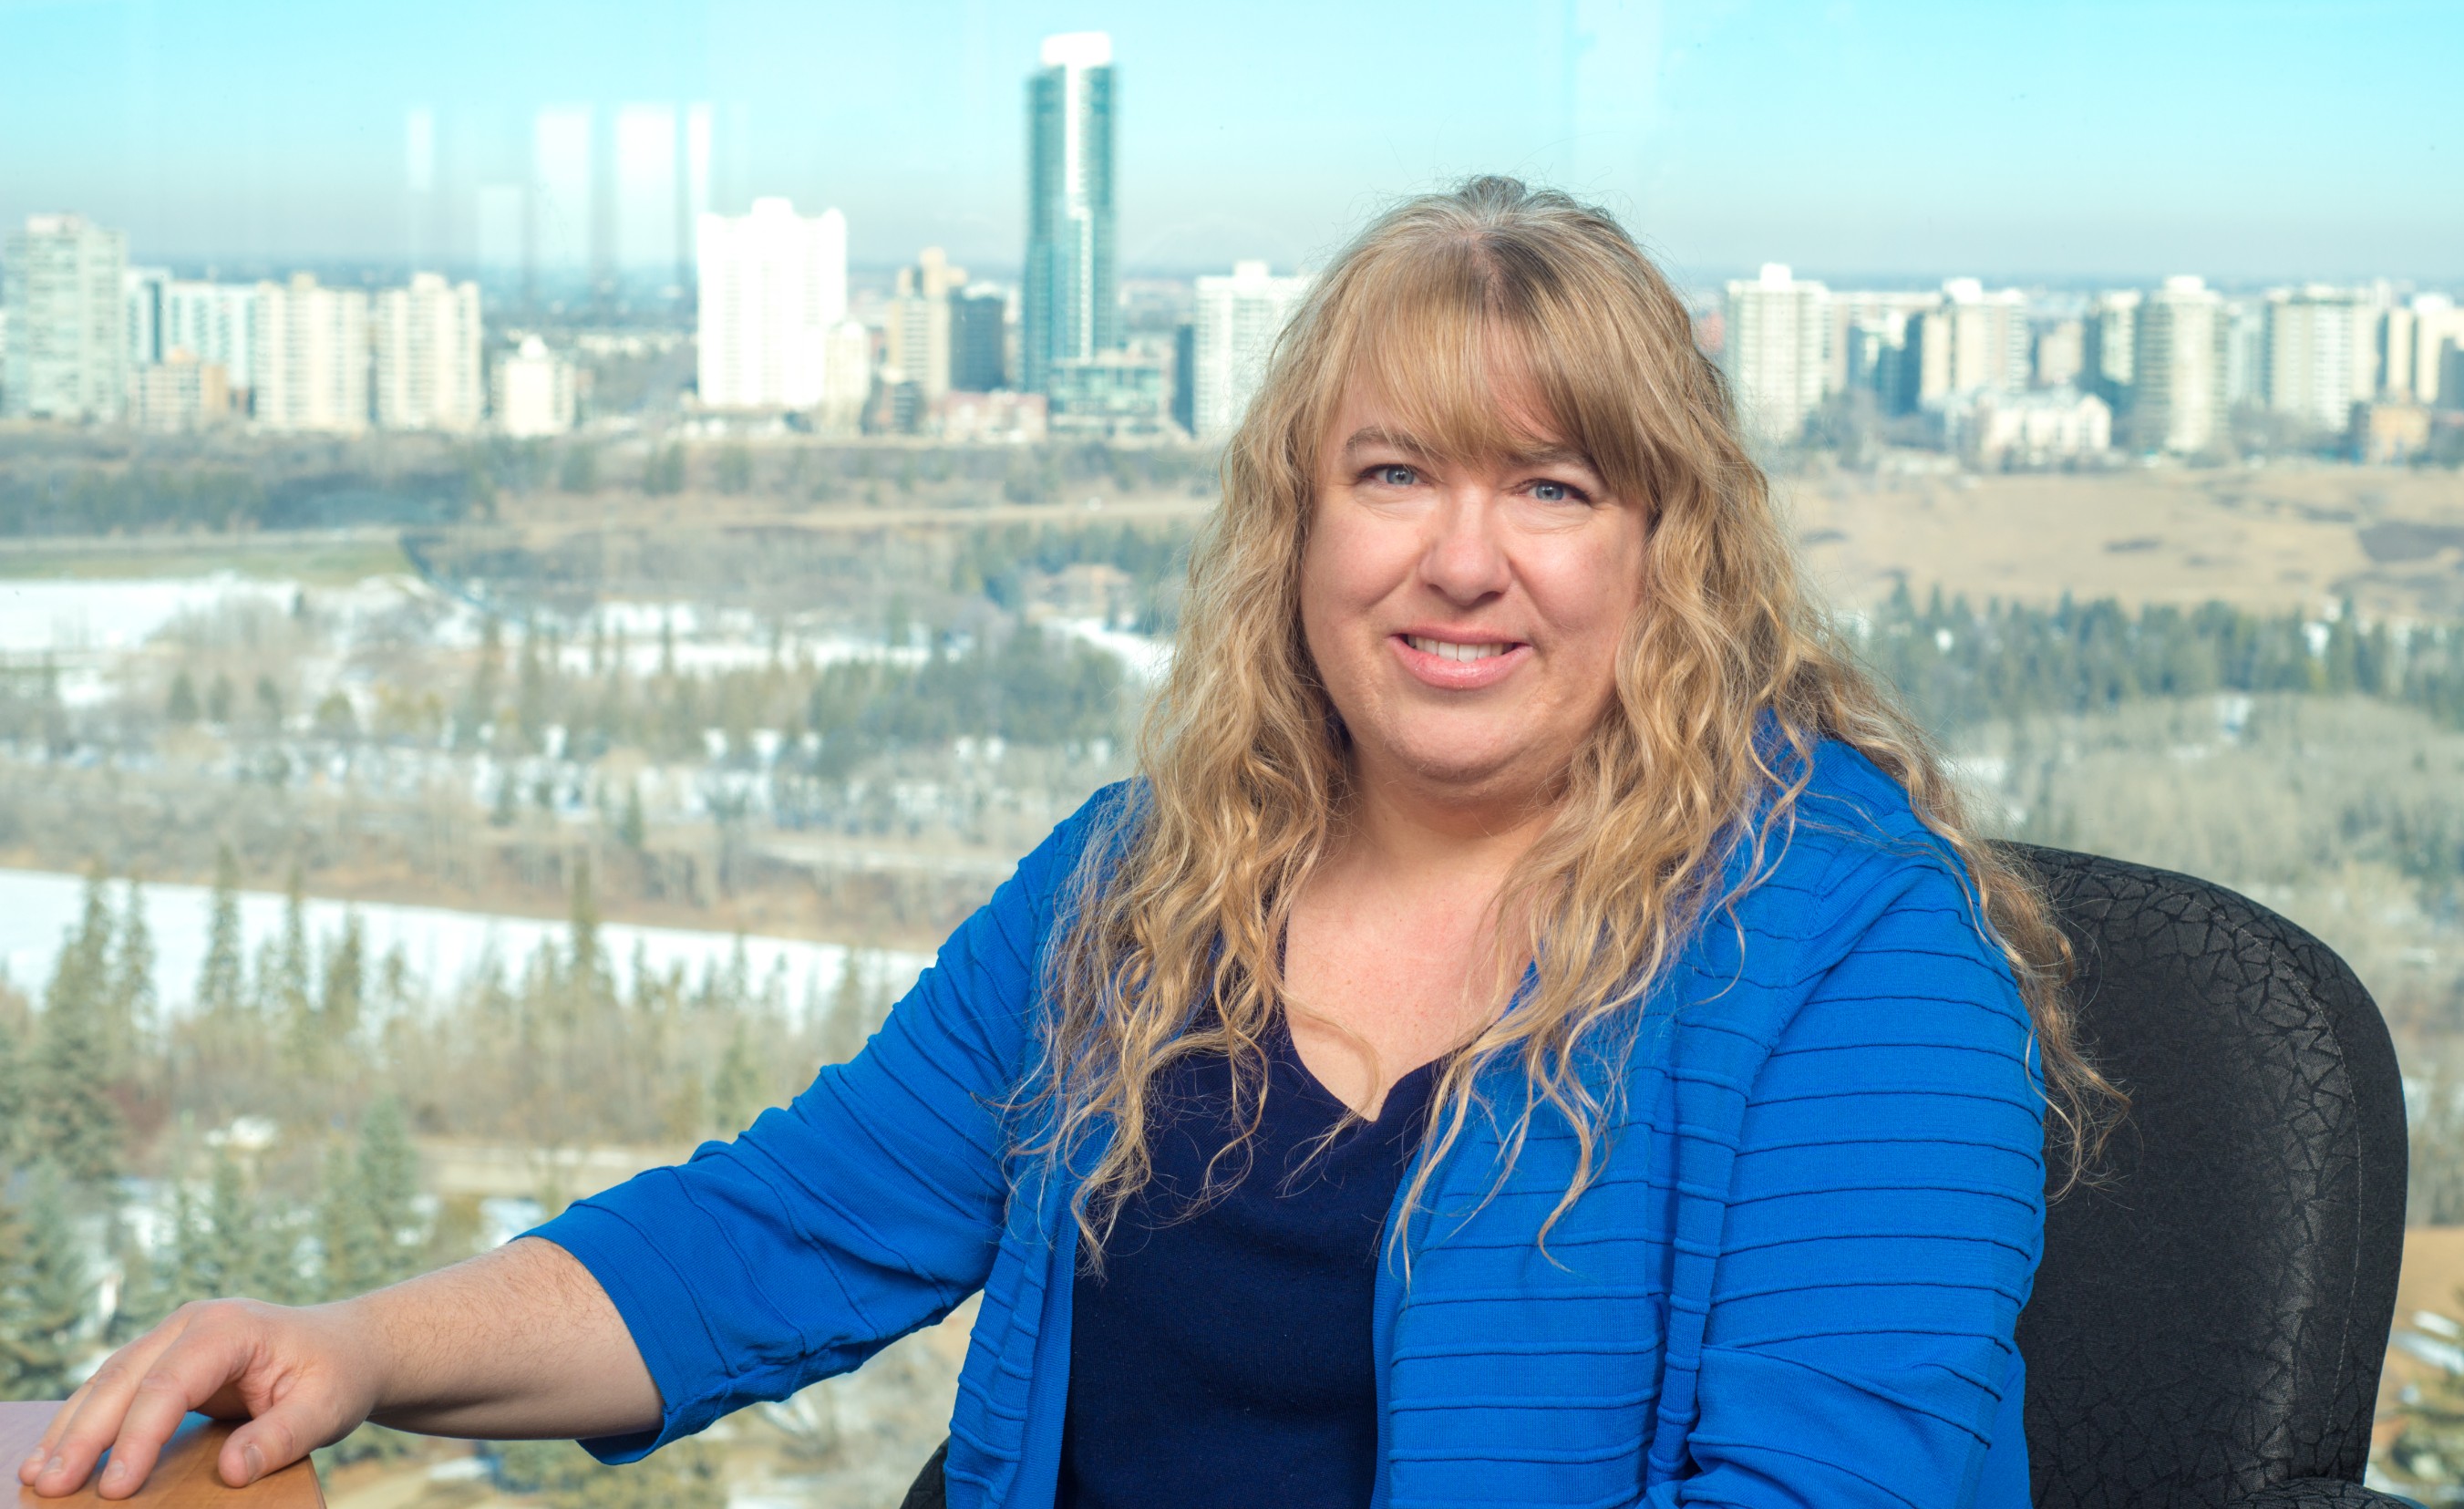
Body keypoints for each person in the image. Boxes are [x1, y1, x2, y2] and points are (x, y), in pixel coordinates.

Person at [24, 178, 2106, 1508]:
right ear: (1299, 530)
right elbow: (774, 1238)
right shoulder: (1147, 879)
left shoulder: (1855, 957)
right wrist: (354, 1349)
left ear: (1670, 552)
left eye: (1553, 488)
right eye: (1394, 474)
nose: (1463, 563)